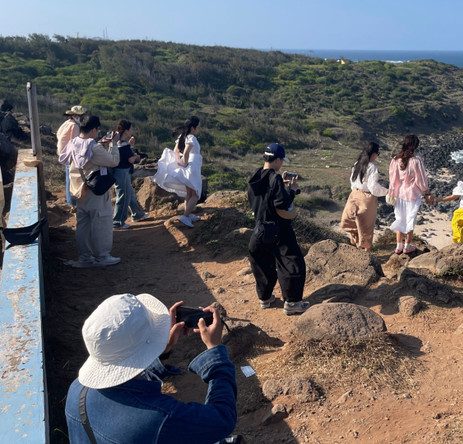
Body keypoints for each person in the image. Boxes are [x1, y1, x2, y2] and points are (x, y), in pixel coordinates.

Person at [65, 293, 236, 443]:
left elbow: (128, 380)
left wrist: (161, 351)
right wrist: (215, 351)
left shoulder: (77, 390)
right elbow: (222, 418)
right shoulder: (160, 417)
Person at [247, 143, 310, 315]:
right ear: (277, 160)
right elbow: (281, 203)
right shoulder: (274, 179)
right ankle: (292, 303)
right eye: (281, 160)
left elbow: (262, 198)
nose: (282, 164)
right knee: (292, 263)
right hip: (277, 228)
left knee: (262, 264)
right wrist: (292, 191)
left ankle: (265, 298)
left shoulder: (256, 175)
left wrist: (279, 187)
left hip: (259, 229)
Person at [60, 116, 121, 268]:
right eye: (97, 129)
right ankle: (102, 256)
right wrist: (113, 144)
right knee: (101, 222)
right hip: (95, 190)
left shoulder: (73, 143)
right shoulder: (93, 147)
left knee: (83, 225)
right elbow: (113, 161)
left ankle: (85, 257)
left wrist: (100, 144)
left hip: (79, 190)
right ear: (93, 129)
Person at [152, 116, 202, 228]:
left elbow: (176, 151)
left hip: (189, 165)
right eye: (198, 126)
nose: (199, 128)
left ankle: (188, 214)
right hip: (192, 166)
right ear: (193, 128)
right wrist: (184, 162)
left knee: (189, 192)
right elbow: (186, 152)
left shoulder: (182, 136)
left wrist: (180, 161)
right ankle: (185, 216)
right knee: (195, 194)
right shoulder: (191, 138)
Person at [388, 134, 433, 254]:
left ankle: (398, 247)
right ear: (415, 146)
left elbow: (393, 178)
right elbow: (421, 179)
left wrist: (393, 191)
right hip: (412, 194)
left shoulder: (396, 159)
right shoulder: (416, 160)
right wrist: (427, 192)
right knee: (410, 220)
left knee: (400, 218)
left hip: (400, 193)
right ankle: (407, 246)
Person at [340, 141, 389, 251]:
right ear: (373, 154)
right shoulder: (372, 168)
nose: (377, 156)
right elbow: (373, 188)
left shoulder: (357, 164)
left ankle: (356, 244)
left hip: (354, 195)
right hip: (367, 198)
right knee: (367, 226)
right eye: (378, 153)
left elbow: (352, 182)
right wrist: (386, 191)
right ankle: (366, 252)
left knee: (353, 222)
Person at [109, 120, 149, 229]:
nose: (132, 131)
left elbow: (122, 154)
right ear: (126, 131)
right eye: (131, 129)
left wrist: (130, 145)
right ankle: (117, 221)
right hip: (122, 171)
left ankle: (137, 214)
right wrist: (136, 157)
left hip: (118, 171)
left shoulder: (118, 141)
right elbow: (130, 159)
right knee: (123, 195)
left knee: (129, 193)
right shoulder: (123, 143)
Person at [56, 105, 88, 206]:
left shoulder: (66, 123)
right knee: (72, 178)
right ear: (75, 116)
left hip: (63, 153)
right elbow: (76, 143)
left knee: (68, 177)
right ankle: (72, 202)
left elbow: (58, 134)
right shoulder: (75, 126)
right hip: (70, 155)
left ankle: (71, 201)